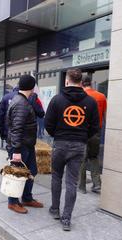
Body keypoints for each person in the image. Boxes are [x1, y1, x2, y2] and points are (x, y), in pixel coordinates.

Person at [44, 69, 99, 231]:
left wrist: (58, 135)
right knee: (72, 182)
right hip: (79, 146)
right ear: (81, 82)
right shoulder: (90, 102)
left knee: (56, 178)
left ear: (67, 81)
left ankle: (55, 209)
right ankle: (66, 219)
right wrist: (82, 137)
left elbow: (48, 124)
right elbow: (95, 126)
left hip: (60, 144)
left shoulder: (57, 100)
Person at [6, 75, 44, 214]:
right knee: (17, 174)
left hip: (26, 144)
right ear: (32, 87)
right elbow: (17, 128)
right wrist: (16, 150)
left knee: (32, 171)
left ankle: (27, 198)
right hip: (20, 146)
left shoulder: (23, 100)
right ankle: (13, 202)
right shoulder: (21, 103)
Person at [79, 76, 107, 193]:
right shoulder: (101, 96)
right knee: (94, 157)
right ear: (91, 83)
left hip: (83, 131)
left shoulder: (80, 97)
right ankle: (97, 184)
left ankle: (82, 187)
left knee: (82, 159)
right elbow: (105, 116)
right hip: (96, 131)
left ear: (81, 84)